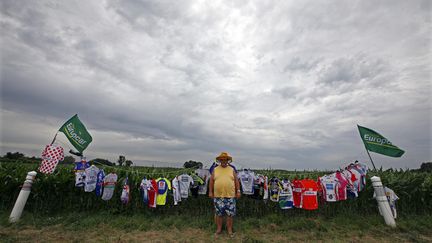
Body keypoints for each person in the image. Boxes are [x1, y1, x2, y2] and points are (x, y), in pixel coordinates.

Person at [209, 152, 241, 238]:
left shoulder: (231, 169)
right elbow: (211, 181)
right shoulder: (215, 169)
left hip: (230, 196)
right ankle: (219, 229)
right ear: (219, 160)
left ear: (228, 160)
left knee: (230, 214)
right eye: (222, 160)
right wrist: (210, 192)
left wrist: (238, 191)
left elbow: (236, 181)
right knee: (219, 214)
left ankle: (229, 230)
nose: (223, 161)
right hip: (218, 196)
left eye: (225, 159)